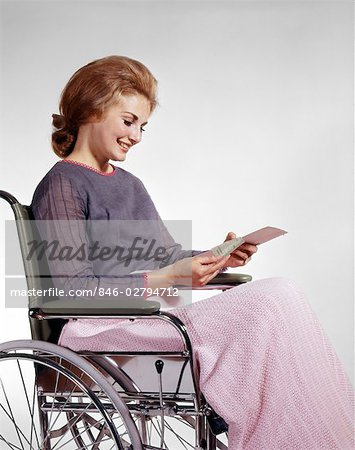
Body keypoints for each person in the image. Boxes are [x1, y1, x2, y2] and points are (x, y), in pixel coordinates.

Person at [31, 55, 353, 449]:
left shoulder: (130, 184)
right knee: (274, 297)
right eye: (129, 121)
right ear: (92, 109)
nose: (136, 136)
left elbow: (165, 254)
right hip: (100, 329)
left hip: (149, 317)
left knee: (279, 296)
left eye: (143, 126)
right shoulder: (62, 185)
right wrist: (169, 278)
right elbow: (70, 290)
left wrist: (217, 256)